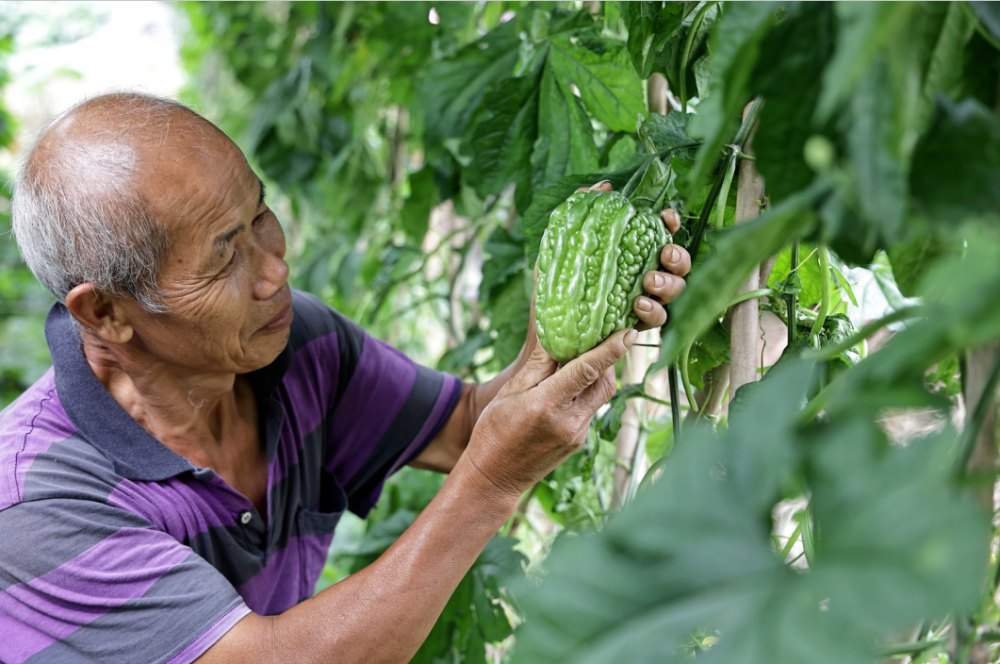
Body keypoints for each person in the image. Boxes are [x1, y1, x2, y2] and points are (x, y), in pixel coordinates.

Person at [0, 92, 691, 664]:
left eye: (260, 215)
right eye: (225, 258)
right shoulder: (36, 507)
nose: (276, 270)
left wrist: (570, 319)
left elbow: (465, 427)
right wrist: (492, 483)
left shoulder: (291, 345)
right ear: (106, 312)